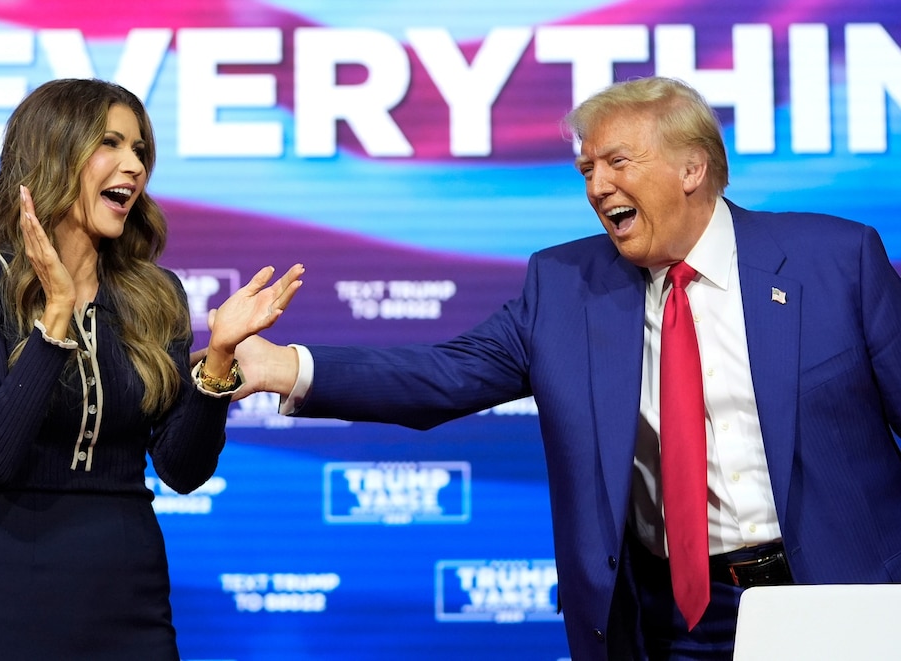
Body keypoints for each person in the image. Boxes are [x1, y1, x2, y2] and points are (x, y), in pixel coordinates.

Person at [226, 76, 901, 660]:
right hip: (670, 623)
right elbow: (443, 374)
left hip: (835, 597)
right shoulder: (565, 286)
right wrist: (287, 366)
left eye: (616, 162)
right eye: (586, 169)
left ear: (691, 169)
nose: (596, 185)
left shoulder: (837, 261)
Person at [0, 78, 303, 661]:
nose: (133, 165)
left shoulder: (155, 294)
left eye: (140, 151)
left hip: (130, 595)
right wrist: (56, 315)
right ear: (55, 152)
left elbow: (181, 470)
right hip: (7, 593)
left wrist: (221, 359)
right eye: (111, 143)